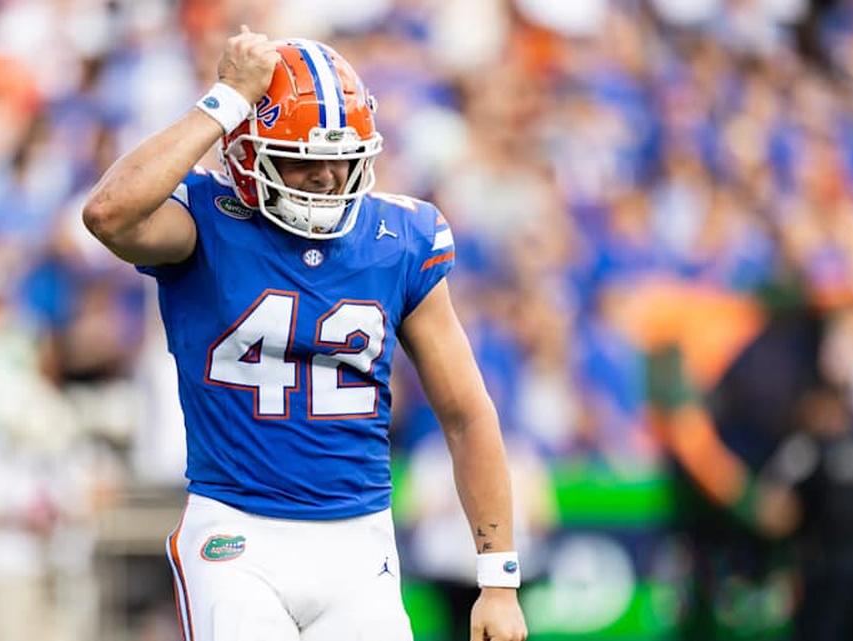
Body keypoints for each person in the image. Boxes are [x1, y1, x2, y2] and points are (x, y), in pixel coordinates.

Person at [83, 26, 529, 641]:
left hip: (359, 542)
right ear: (244, 149)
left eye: (337, 158)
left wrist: (498, 577)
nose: (323, 177)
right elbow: (108, 212)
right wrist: (225, 99)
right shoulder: (203, 222)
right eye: (302, 157)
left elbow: (465, 412)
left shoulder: (401, 239)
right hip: (238, 535)